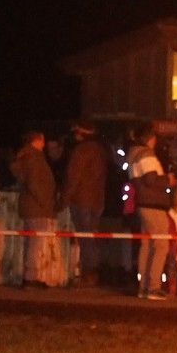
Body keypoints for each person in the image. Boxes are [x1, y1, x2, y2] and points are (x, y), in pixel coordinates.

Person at [63, 120, 110, 286]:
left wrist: (63, 200)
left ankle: (88, 274)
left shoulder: (81, 151)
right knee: (92, 237)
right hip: (97, 200)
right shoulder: (100, 151)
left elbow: (73, 178)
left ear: (80, 134)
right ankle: (94, 273)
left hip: (81, 200)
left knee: (85, 238)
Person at [128, 126, 172, 299]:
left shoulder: (133, 154)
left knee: (147, 245)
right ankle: (153, 288)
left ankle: (144, 287)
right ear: (150, 139)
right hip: (153, 204)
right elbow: (150, 179)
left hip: (143, 203)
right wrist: (168, 179)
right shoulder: (146, 154)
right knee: (161, 244)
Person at [11, 131, 59, 288]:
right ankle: (30, 277)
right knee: (35, 243)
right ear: (37, 141)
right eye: (42, 140)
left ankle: (30, 276)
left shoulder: (27, 157)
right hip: (37, 207)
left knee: (32, 241)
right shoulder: (34, 158)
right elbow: (34, 183)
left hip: (31, 206)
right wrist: (45, 201)